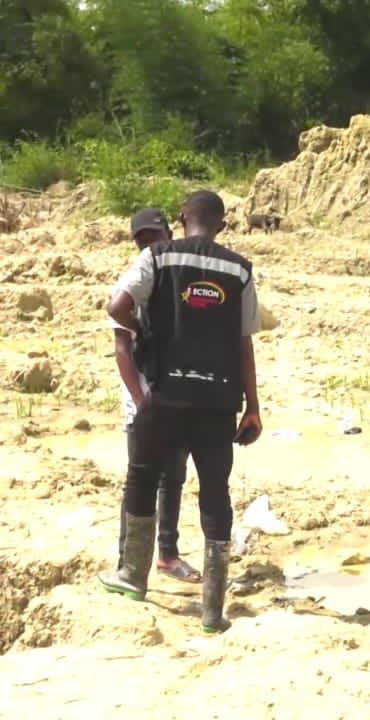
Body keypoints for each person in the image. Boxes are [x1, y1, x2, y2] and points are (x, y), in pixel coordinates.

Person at [99, 190, 263, 634]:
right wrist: (253, 407)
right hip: (219, 402)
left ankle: (133, 576)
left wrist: (150, 335)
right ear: (221, 225)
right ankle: (212, 612)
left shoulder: (157, 257)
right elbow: (244, 342)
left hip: (166, 396)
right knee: (215, 493)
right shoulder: (239, 270)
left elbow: (117, 308)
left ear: (182, 217)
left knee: (143, 475)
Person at [111, 208, 199, 584]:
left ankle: (167, 554)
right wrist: (142, 401)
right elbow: (122, 348)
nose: (149, 246)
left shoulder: (180, 283)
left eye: (155, 237)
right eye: (142, 241)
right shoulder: (133, 282)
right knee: (140, 480)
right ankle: (127, 561)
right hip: (145, 400)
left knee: (174, 476)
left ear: (170, 234)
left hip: (176, 395)